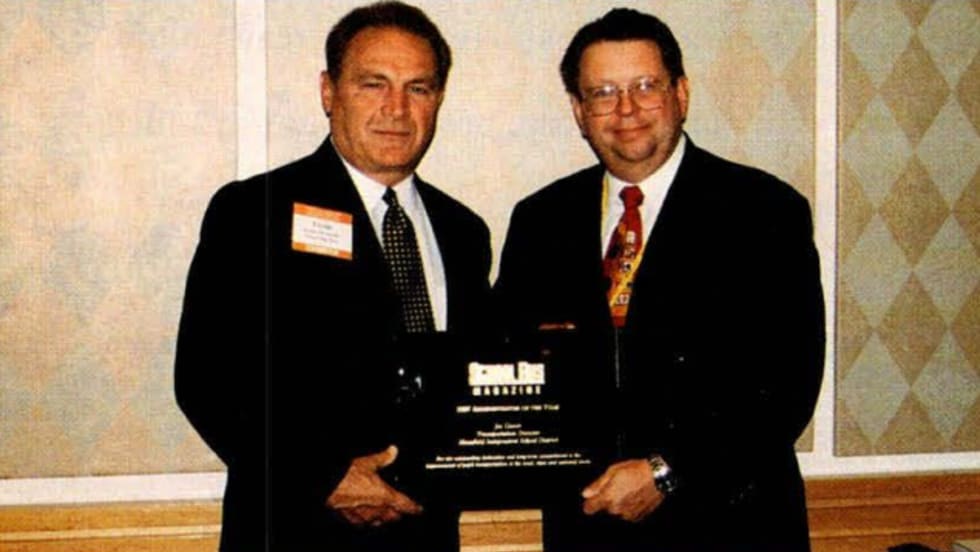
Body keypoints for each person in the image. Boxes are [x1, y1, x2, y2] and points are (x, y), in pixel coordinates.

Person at [494, 8, 825, 552]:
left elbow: (786, 387)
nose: (626, 109)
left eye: (645, 86)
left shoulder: (763, 211)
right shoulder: (540, 221)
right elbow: (510, 365)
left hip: (732, 527)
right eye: (602, 92)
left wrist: (666, 472)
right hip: (589, 531)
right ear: (579, 112)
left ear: (682, 94)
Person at [174, 2, 491, 550]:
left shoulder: (464, 231)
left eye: (418, 88)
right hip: (295, 529)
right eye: (373, 84)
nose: (397, 109)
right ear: (328, 91)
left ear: (439, 99)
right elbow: (207, 378)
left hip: (427, 535)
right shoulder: (256, 212)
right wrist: (323, 479)